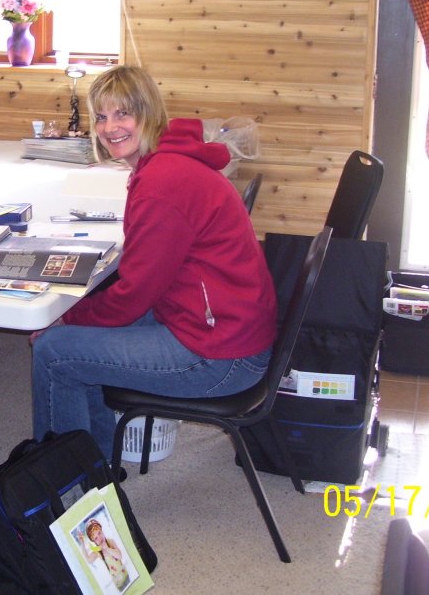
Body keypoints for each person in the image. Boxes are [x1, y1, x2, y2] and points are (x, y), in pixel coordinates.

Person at [31, 65, 277, 457]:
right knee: (80, 339)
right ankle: (95, 464)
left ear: (148, 115)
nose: (110, 127)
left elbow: (132, 295)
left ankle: (66, 486)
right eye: (101, 116)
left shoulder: (162, 183)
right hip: (221, 329)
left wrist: (66, 317)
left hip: (219, 356)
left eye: (122, 114)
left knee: (56, 350)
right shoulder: (168, 163)